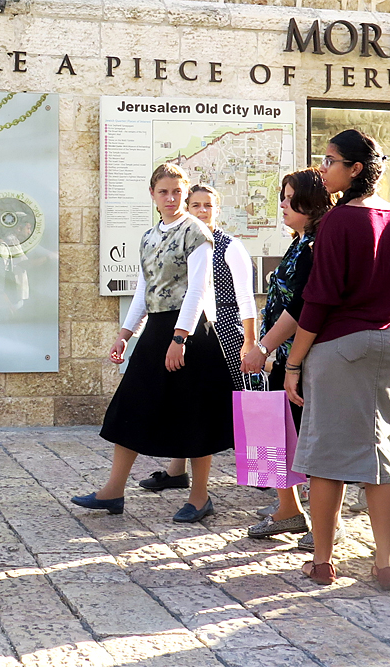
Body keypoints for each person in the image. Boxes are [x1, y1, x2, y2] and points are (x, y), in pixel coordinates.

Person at [282, 130, 390, 591]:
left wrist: (293, 362)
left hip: (340, 346)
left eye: (330, 159)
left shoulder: (338, 221)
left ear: (355, 169)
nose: (323, 168)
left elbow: (317, 301)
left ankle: (323, 562)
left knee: (327, 458)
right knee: (379, 456)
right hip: (388, 343)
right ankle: (384, 563)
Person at [70, 161, 234, 522]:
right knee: (131, 405)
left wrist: (181, 337)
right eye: (164, 191)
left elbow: (197, 290)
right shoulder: (149, 236)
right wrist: (125, 332)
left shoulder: (197, 233)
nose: (172, 198)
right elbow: (144, 290)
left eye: (178, 192)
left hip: (189, 332)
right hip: (157, 329)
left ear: (185, 193)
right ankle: (113, 491)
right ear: (153, 195)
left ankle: (200, 496)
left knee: (195, 414)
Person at [139, 184, 257, 492]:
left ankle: (261, 471)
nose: (202, 211)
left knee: (240, 404)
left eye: (208, 205)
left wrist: (250, 339)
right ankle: (177, 470)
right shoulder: (181, 240)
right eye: (196, 205)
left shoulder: (229, 246)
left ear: (217, 210)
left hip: (227, 333)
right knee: (188, 402)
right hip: (196, 331)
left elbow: (246, 297)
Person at [240, 169, 334, 546]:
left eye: (288, 196)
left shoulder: (315, 247)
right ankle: (288, 509)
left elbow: (301, 305)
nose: (281, 203)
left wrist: (263, 346)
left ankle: (327, 521)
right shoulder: (300, 243)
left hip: (305, 356)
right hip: (284, 355)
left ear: (309, 201)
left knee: (308, 437)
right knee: (273, 431)